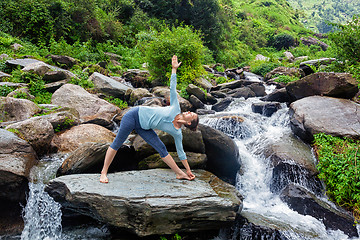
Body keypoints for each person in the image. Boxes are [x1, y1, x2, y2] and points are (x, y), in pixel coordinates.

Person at [100, 55, 199, 183]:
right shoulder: (176, 107)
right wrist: (174, 69)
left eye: (192, 114)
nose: (190, 111)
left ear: (189, 122)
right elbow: (172, 88)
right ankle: (103, 172)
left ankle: (180, 174)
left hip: (144, 128)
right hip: (134, 115)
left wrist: (188, 170)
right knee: (118, 142)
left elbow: (181, 153)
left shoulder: (177, 133)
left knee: (162, 148)